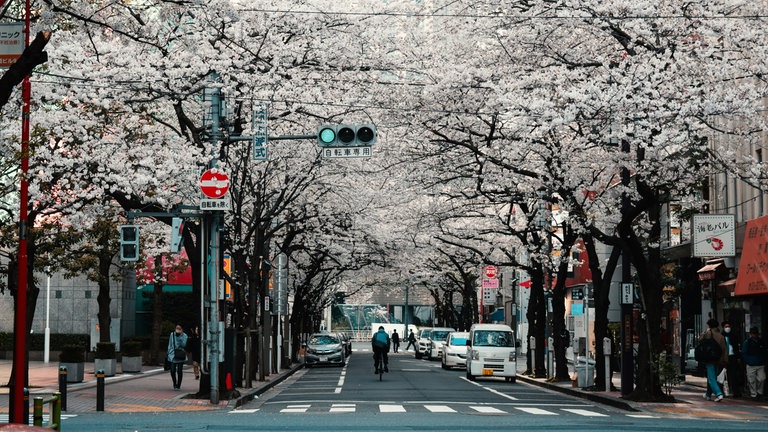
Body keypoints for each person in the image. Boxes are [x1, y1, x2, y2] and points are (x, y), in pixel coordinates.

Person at [700, 318, 727, 402]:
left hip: (709, 358)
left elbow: (700, 339)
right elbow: (724, 349)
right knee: (712, 377)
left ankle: (719, 394)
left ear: (709, 326)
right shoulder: (721, 336)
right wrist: (725, 360)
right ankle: (708, 394)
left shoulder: (708, 333)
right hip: (718, 359)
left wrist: (705, 331)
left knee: (711, 379)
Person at [741, 327, 766, 401]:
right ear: (751, 334)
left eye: (755, 333)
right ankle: (754, 394)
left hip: (760, 363)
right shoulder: (747, 342)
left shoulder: (761, 341)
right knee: (751, 380)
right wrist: (748, 361)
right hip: (751, 364)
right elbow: (744, 353)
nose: (754, 335)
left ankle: (759, 392)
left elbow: (764, 351)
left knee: (762, 378)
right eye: (753, 334)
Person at [721, 320, 743, 397]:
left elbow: (736, 347)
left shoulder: (734, 336)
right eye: (726, 327)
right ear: (723, 328)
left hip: (732, 357)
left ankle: (736, 392)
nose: (727, 328)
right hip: (724, 358)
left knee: (734, 375)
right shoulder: (721, 336)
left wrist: (738, 357)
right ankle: (723, 392)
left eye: (728, 326)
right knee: (723, 375)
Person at [167, 324, 188, 390]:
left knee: (179, 370)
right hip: (172, 354)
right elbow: (170, 344)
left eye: (179, 329)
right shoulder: (172, 334)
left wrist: (180, 336)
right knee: (172, 370)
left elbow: (184, 345)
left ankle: (178, 385)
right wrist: (168, 352)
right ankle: (174, 383)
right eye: (176, 328)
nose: (177, 330)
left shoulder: (184, 335)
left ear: (182, 329)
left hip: (180, 354)